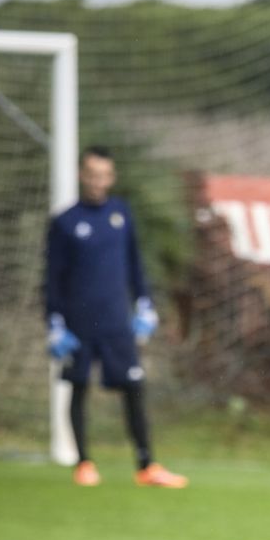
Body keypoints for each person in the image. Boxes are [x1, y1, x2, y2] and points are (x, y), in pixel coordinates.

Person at [44, 145, 186, 488]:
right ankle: (84, 463)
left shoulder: (121, 214)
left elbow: (135, 264)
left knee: (134, 386)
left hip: (115, 319)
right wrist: (54, 321)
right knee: (78, 387)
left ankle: (146, 465)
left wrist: (145, 304)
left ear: (112, 177)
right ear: (82, 176)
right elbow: (52, 278)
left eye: (104, 175)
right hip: (79, 321)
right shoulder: (65, 222)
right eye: (92, 175)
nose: (98, 181)